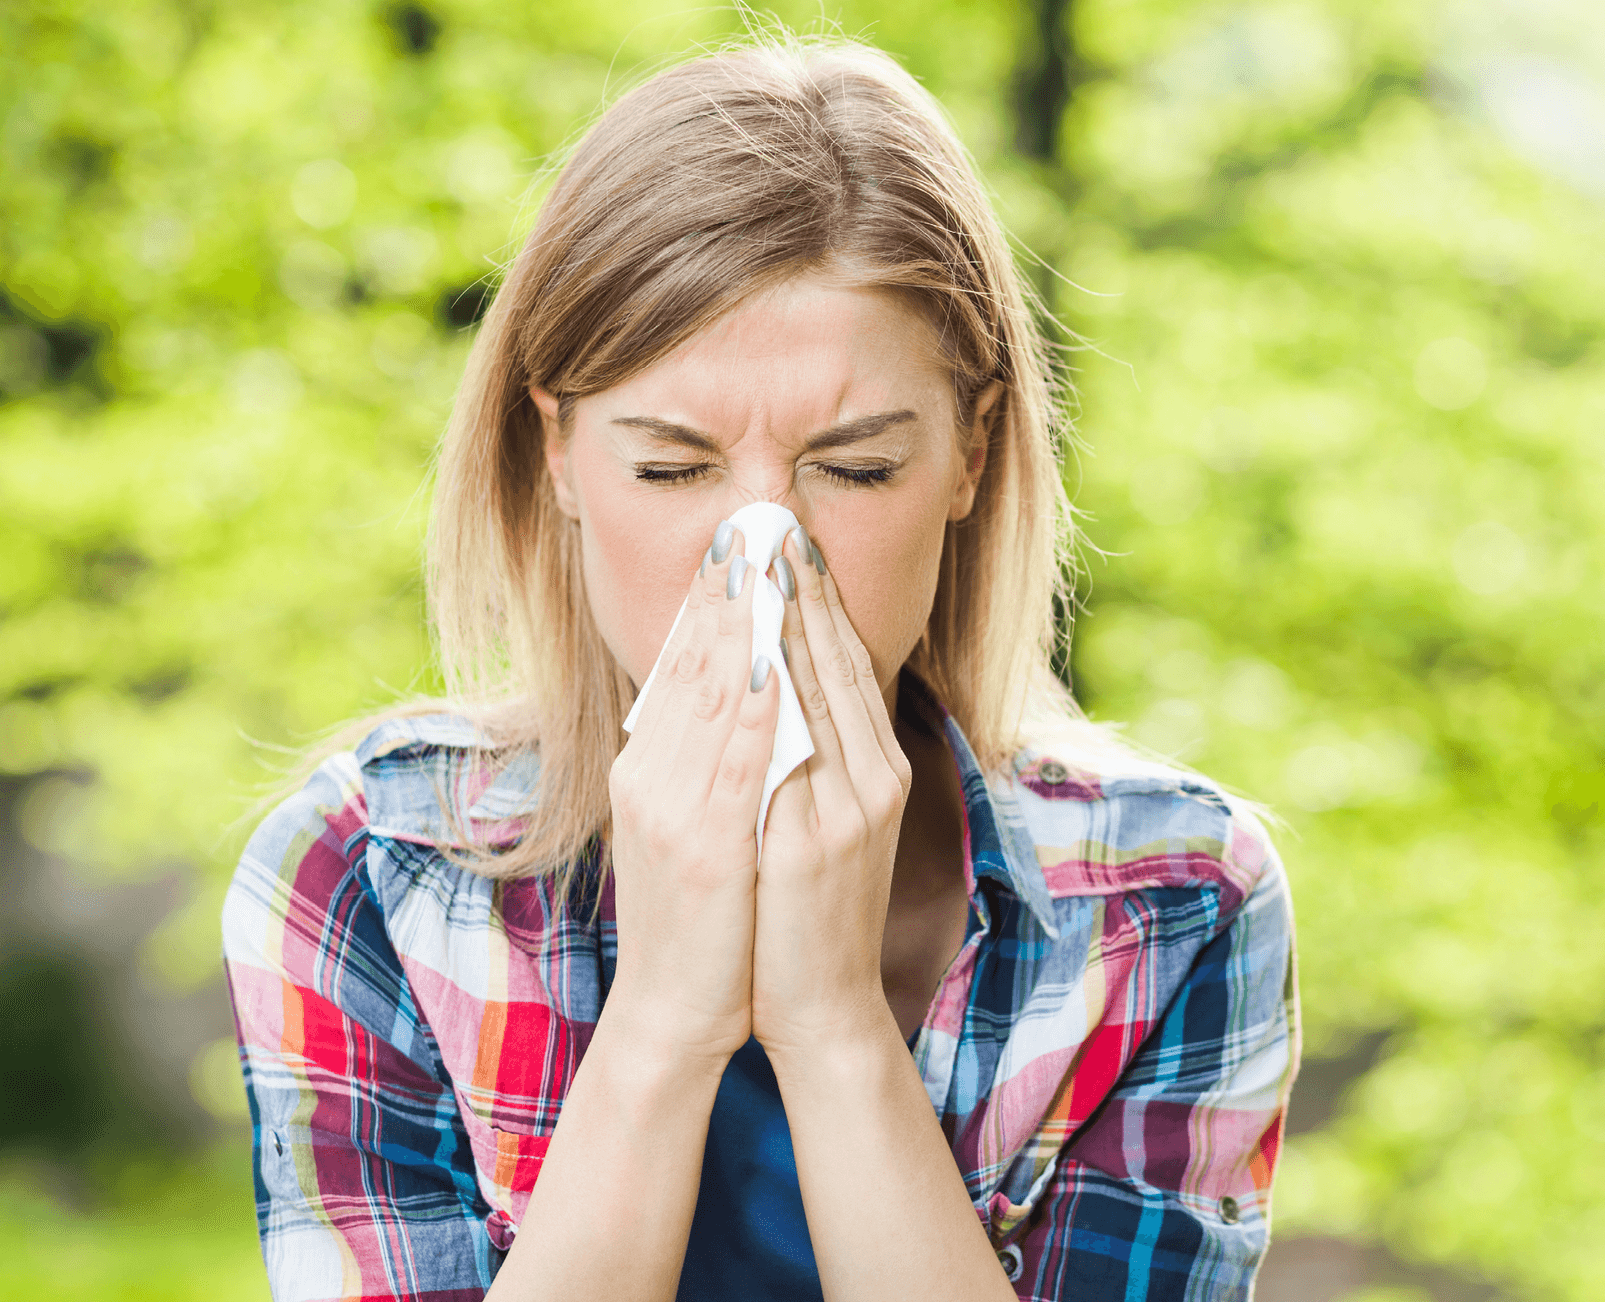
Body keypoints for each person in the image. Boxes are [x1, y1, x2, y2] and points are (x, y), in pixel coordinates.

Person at [221, 34, 1299, 1302]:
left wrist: (834, 1025)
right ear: (558, 452)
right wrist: (668, 1022)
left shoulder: (1173, 899)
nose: (765, 556)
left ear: (969, 455)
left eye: (855, 469)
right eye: (673, 468)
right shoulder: (367, 869)